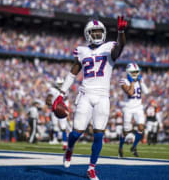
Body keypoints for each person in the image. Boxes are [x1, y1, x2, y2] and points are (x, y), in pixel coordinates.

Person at [50, 16, 127, 180]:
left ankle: (91, 168)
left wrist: (120, 32)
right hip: (85, 94)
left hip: (103, 96)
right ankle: (69, 148)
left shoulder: (109, 47)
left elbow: (121, 46)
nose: (98, 34)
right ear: (87, 34)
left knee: (99, 134)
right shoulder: (82, 51)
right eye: (94, 31)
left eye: (100, 31)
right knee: (77, 132)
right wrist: (61, 94)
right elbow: (72, 74)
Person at [118, 62, 149, 158]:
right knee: (126, 130)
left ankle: (134, 147)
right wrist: (132, 82)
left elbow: (146, 92)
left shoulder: (139, 80)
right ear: (128, 72)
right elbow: (131, 93)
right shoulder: (123, 81)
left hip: (138, 107)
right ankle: (120, 147)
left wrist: (142, 81)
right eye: (133, 72)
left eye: (137, 72)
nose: (135, 74)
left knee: (141, 127)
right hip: (128, 108)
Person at [46, 77, 70, 150]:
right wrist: (51, 103)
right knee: (55, 126)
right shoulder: (52, 90)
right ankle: (55, 139)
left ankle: (65, 143)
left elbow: (66, 101)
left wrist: (66, 110)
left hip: (62, 110)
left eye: (61, 84)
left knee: (63, 127)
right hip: (54, 110)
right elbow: (48, 99)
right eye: (59, 84)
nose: (60, 85)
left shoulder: (65, 90)